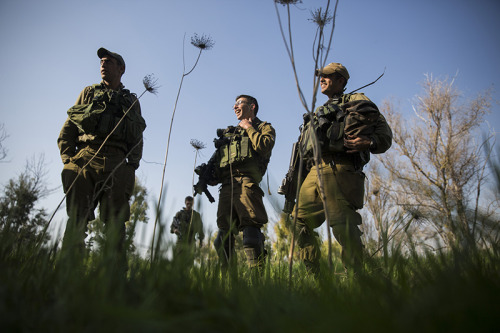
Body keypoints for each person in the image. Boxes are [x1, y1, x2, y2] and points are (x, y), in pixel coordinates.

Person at [294, 63, 392, 274]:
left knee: (341, 224)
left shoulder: (357, 101)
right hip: (314, 171)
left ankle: (358, 274)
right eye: (321, 76)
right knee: (298, 222)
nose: (322, 79)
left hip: (341, 168)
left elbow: (385, 136)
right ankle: (316, 276)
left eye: (327, 76)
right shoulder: (319, 112)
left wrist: (369, 142)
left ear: (341, 81)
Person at [58, 47, 146, 266]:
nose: (103, 65)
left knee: (116, 225)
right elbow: (69, 127)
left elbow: (137, 137)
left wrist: (130, 166)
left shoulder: (131, 101)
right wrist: (69, 160)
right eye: (101, 62)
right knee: (77, 219)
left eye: (108, 61)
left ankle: (114, 280)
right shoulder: (88, 92)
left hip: (117, 163)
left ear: (121, 68)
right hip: (86, 158)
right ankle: (67, 274)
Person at [211, 95, 276, 271]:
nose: (235, 107)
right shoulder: (229, 132)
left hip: (247, 183)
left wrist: (248, 127)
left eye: (239, 103)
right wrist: (207, 174)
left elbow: (264, 146)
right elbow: (218, 162)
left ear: (252, 106)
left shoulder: (263, 127)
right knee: (222, 239)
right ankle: (229, 283)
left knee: (251, 237)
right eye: (234, 104)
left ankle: (257, 283)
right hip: (226, 186)